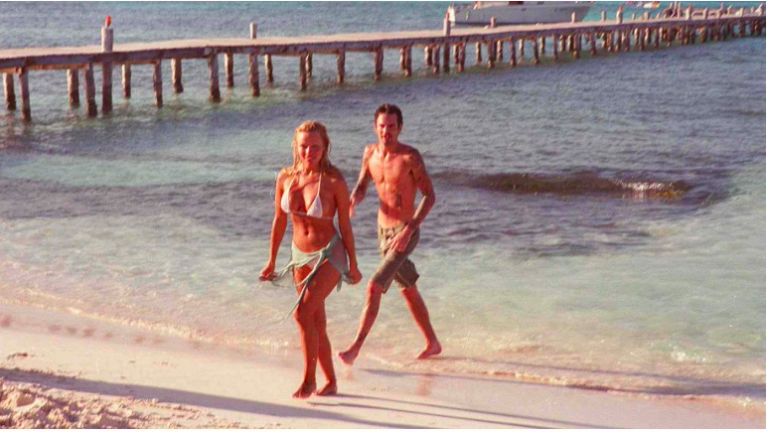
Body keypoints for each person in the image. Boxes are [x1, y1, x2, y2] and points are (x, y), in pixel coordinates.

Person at [260, 121, 362, 399]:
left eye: (315, 146)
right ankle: (331, 382)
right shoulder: (285, 178)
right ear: (296, 146)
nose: (309, 151)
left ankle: (309, 380)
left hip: (330, 253)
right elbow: (280, 221)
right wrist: (271, 261)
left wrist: (354, 264)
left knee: (302, 313)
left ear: (325, 147)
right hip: (299, 255)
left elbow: (345, 225)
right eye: (304, 146)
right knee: (315, 322)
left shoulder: (333, 181)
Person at [338, 104, 441, 366]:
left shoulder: (410, 157)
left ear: (400, 128)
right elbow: (363, 183)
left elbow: (430, 196)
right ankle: (432, 342)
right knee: (408, 289)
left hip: (405, 231)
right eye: (382, 126)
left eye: (392, 126)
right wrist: (354, 198)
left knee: (374, 286)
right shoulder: (369, 153)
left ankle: (355, 348)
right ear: (375, 127)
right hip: (382, 231)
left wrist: (409, 230)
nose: (387, 131)